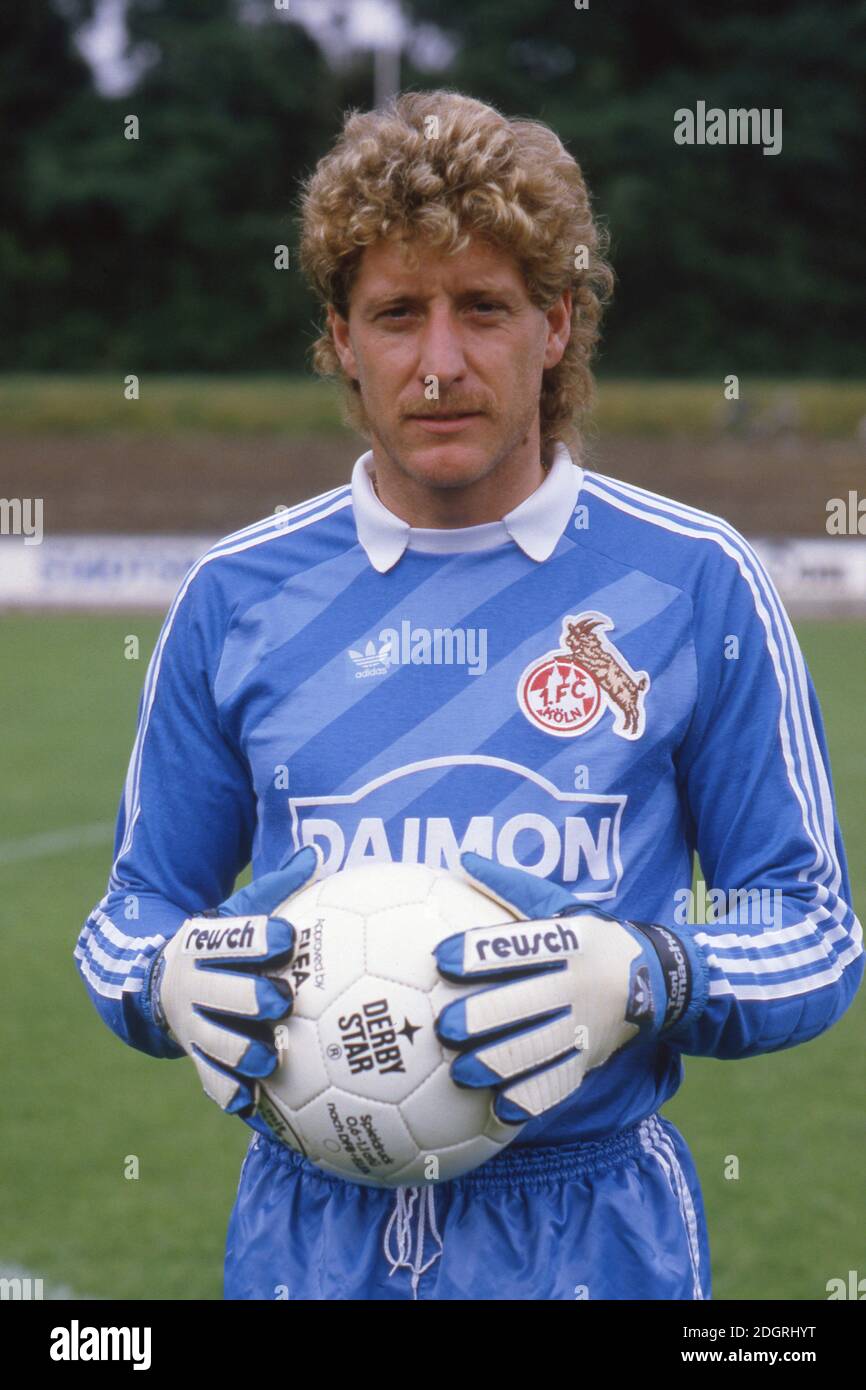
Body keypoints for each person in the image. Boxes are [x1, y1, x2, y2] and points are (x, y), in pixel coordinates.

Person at [75, 90, 863, 1301]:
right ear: (340, 338)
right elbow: (131, 914)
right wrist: (164, 973)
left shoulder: (694, 583)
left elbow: (810, 930)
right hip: (306, 1237)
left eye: (482, 308)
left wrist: (647, 973)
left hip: (593, 1234)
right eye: (396, 312)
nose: (438, 363)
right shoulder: (235, 597)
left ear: (553, 324)